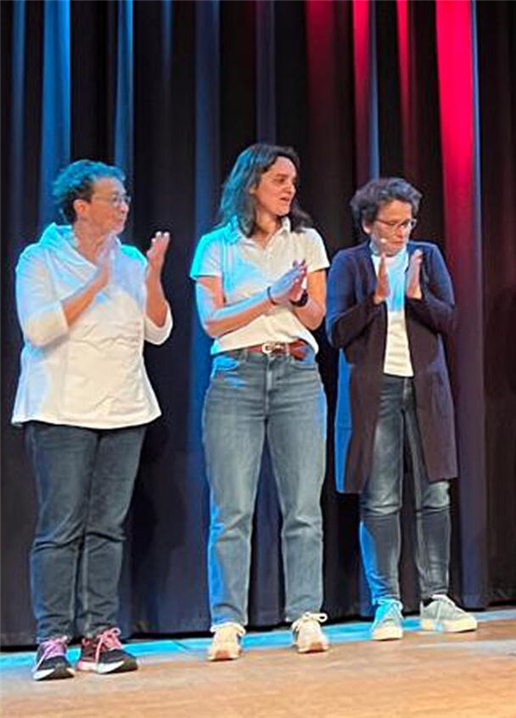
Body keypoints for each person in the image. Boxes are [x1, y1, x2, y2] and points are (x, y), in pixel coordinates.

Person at [14, 160, 172, 680]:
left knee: (107, 527)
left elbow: (159, 331)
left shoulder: (128, 259)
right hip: (60, 409)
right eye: (113, 198)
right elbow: (39, 330)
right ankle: (51, 640)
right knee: (62, 526)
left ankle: (100, 637)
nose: (123, 206)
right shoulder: (39, 259)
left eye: (125, 197)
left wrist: (149, 276)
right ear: (81, 207)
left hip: (125, 407)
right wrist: (96, 282)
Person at [191, 144, 331, 660]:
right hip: (235, 377)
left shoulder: (307, 241)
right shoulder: (216, 246)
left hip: (296, 373)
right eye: (279, 179)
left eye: (292, 180)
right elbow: (213, 321)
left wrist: (294, 298)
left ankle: (305, 615)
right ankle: (227, 621)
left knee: (302, 508)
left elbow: (316, 317)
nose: (289, 188)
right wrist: (270, 297)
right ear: (252, 184)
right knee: (231, 510)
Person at [326, 177, 476, 640]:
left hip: (425, 387)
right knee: (382, 498)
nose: (401, 232)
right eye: (391, 224)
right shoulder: (349, 263)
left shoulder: (426, 257)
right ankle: (386, 601)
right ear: (368, 223)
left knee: (435, 495)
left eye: (407, 223)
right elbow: (335, 331)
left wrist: (416, 296)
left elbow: (450, 319)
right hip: (376, 390)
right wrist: (374, 300)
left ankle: (436, 598)